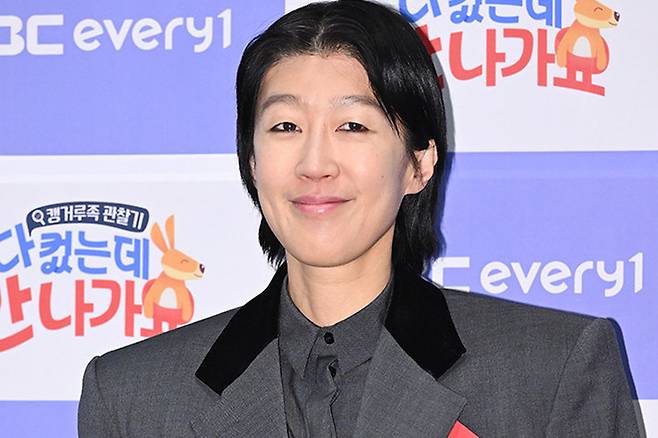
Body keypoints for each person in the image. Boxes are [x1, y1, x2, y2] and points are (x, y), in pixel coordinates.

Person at [78, 1, 643, 437]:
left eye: (353, 126)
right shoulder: (132, 396)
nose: (315, 163)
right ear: (251, 161)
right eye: (284, 127)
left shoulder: (551, 370)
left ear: (419, 164)